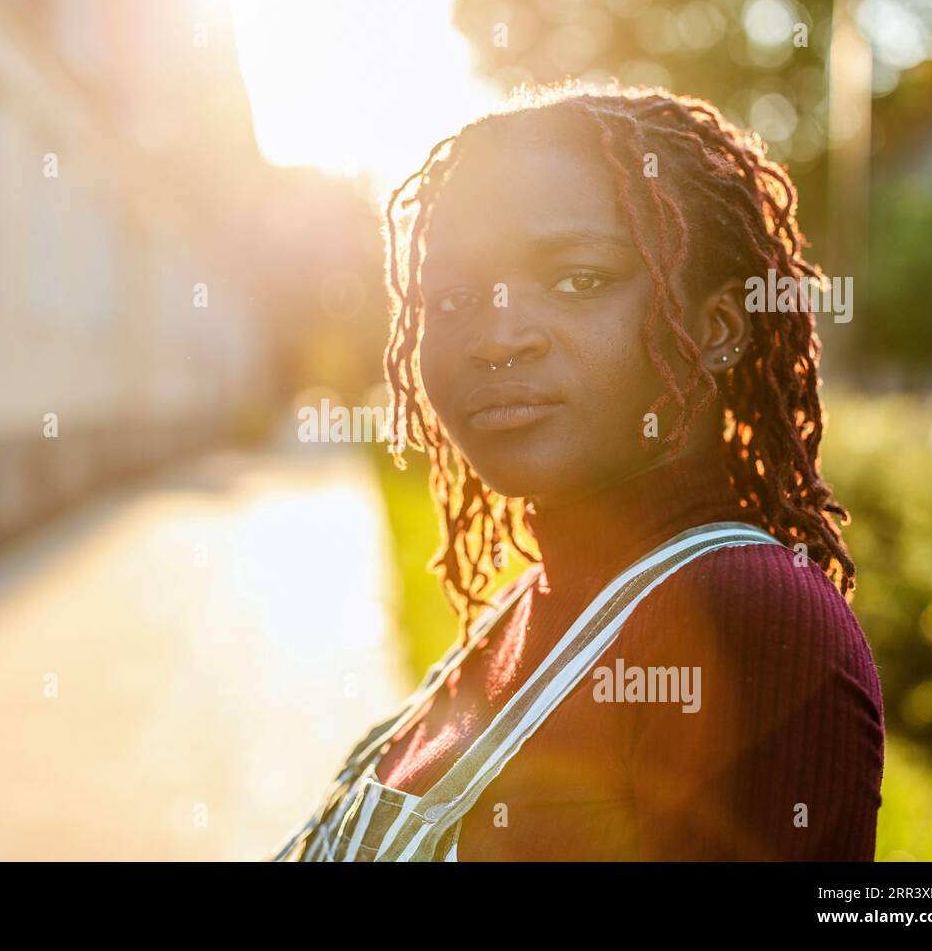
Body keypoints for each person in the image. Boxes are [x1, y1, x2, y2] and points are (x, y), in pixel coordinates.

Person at [271, 82, 884, 862]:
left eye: (579, 279)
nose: (499, 337)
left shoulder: (749, 621)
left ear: (718, 327)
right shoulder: (531, 604)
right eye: (452, 295)